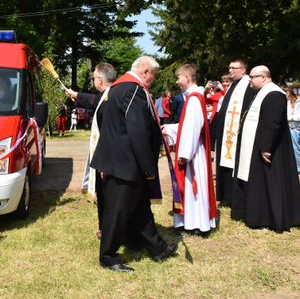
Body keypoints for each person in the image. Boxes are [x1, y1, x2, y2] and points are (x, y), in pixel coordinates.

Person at [90, 56, 178, 272]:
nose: (154, 80)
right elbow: (138, 132)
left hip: (120, 160)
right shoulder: (134, 90)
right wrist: (148, 168)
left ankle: (157, 248)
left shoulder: (118, 88)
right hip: (126, 163)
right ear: (146, 71)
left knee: (140, 208)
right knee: (117, 212)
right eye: (154, 75)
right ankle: (108, 256)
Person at [231, 66, 300, 231]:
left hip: (270, 150)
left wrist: (265, 147)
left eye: (253, 77)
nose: (250, 81)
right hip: (260, 147)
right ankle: (259, 214)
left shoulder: (274, 94)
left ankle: (269, 217)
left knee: (271, 184)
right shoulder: (262, 93)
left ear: (263, 77)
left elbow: (272, 123)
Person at [162, 64, 217, 235]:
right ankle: (193, 222)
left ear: (187, 77)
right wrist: (168, 129)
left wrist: (184, 154)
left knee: (193, 187)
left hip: (192, 152)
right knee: (196, 187)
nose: (177, 81)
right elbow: (187, 125)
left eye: (179, 78)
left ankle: (195, 224)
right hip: (194, 148)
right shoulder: (195, 97)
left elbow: (192, 128)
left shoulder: (193, 98)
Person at [65, 62, 117, 236]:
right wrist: (76, 95)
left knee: (107, 195)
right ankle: (104, 227)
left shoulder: (111, 97)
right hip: (103, 155)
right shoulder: (110, 95)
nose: (93, 80)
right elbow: (93, 100)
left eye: (94, 77)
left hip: (107, 156)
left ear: (101, 79)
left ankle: (108, 229)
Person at [211, 58, 256, 206]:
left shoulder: (248, 85)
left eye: (233, 68)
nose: (230, 71)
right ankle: (227, 196)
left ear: (243, 70)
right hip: (227, 133)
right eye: (229, 68)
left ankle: (236, 197)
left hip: (238, 134)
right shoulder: (233, 85)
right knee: (226, 164)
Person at [285, 87, 300, 173]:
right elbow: (287, 117)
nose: (286, 95)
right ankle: (297, 168)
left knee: (296, 148)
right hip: (291, 128)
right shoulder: (287, 103)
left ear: (290, 93)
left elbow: (298, 117)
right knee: (295, 148)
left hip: (297, 128)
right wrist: (292, 118)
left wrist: (291, 118)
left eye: (287, 93)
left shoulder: (298, 102)